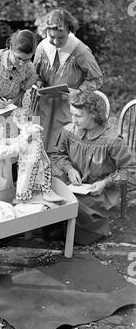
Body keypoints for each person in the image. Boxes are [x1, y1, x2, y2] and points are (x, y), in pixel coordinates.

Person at [51, 90, 135, 245]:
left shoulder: (112, 140)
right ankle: (63, 228)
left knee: (75, 203)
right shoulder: (69, 131)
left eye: (78, 115)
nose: (73, 119)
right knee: (53, 194)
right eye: (72, 114)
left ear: (94, 114)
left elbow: (127, 170)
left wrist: (105, 183)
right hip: (75, 184)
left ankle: (83, 232)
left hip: (100, 191)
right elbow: (57, 154)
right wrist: (69, 169)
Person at [33, 8, 103, 154]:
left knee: (64, 150)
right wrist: (39, 83)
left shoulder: (80, 50)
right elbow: (35, 74)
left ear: (69, 31)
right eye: (51, 37)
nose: (56, 41)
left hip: (69, 108)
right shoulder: (42, 47)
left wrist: (78, 92)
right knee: (39, 148)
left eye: (61, 38)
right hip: (44, 107)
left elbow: (96, 79)